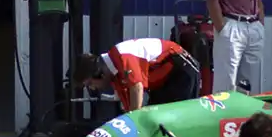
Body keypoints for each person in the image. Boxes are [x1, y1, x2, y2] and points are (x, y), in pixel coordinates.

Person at [72, 38, 200, 112]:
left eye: (90, 84)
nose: (93, 88)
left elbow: (137, 87)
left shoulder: (121, 55)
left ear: (98, 73)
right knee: (154, 119)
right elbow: (130, 111)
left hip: (180, 71)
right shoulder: (115, 76)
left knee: (169, 121)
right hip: (164, 80)